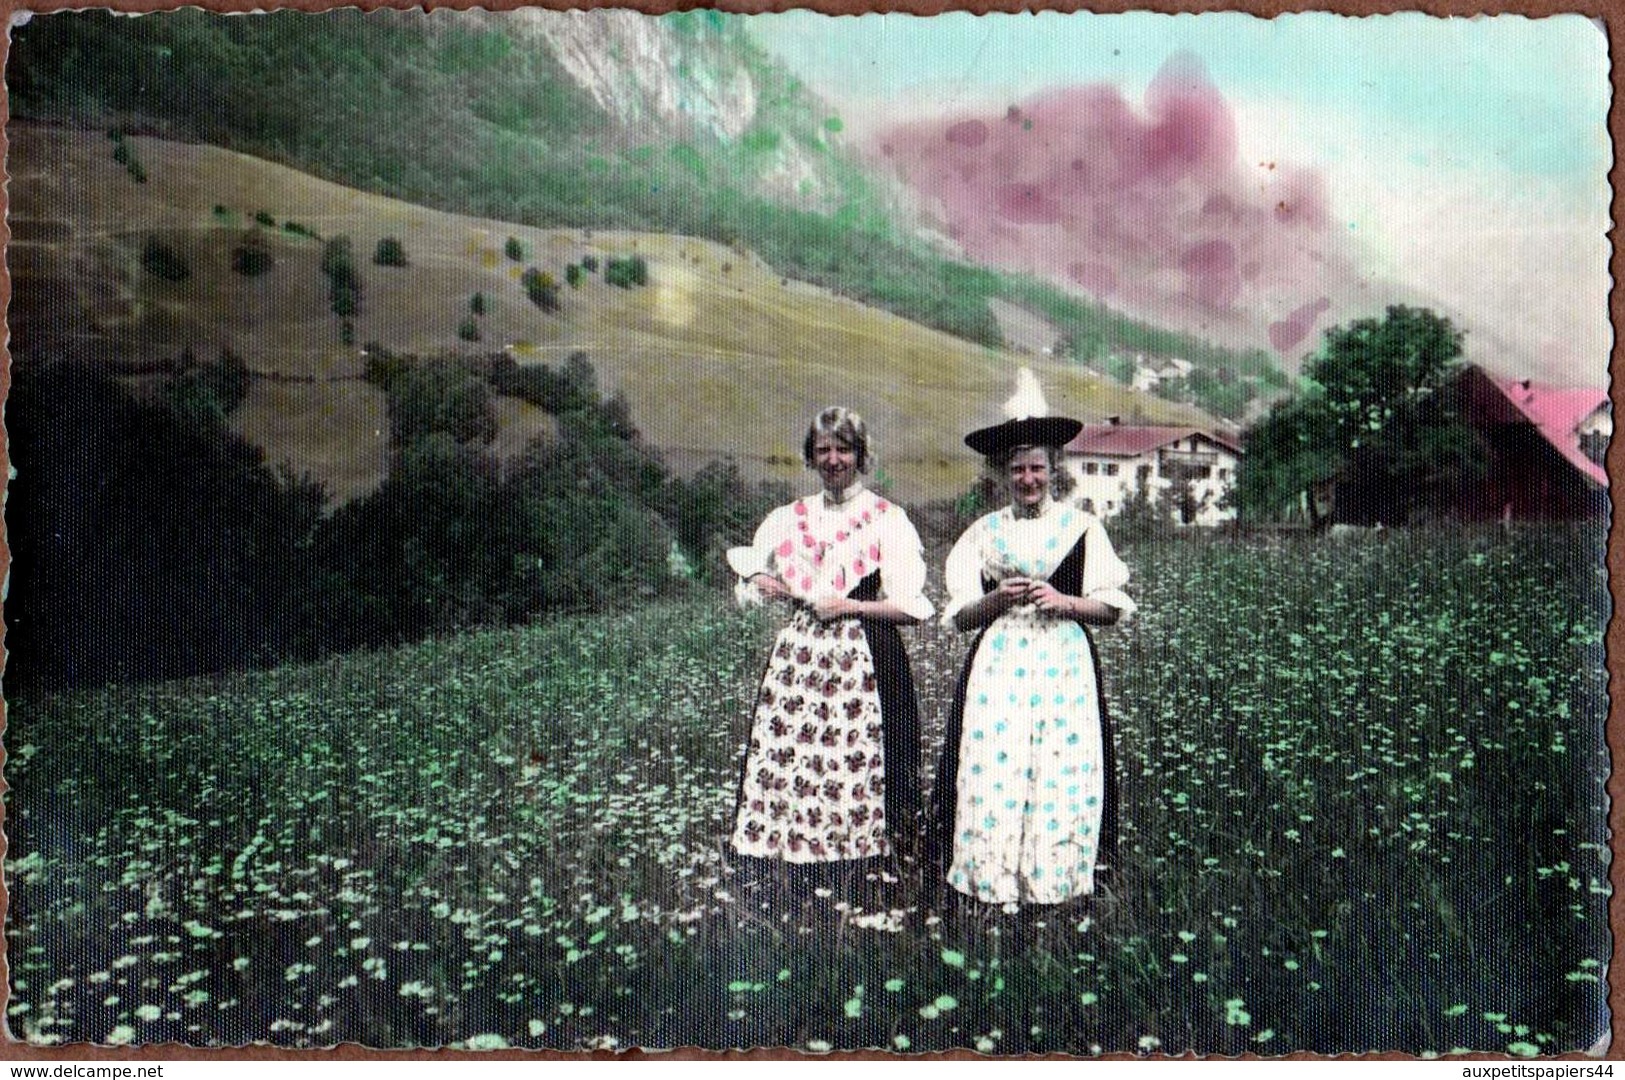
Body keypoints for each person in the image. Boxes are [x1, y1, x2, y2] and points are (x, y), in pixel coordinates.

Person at [932, 370, 1135, 907]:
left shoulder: (1081, 528)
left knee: (1059, 769)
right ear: (1002, 474)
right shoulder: (983, 533)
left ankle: (1056, 882)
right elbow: (959, 617)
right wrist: (998, 600)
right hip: (999, 663)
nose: (1028, 479)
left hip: (1062, 662)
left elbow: (1112, 607)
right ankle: (992, 881)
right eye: (1017, 469)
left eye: (1037, 468)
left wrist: (1064, 602)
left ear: (1053, 470)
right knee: (993, 763)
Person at [726, 407, 934, 870]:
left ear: (861, 456)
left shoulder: (886, 519)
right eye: (824, 450)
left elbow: (910, 607)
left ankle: (867, 867)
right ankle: (794, 860)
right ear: (811, 457)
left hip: (866, 654)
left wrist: (850, 606)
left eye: (844, 449)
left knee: (862, 764)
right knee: (795, 756)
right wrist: (767, 583)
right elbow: (749, 579)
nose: (834, 459)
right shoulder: (789, 517)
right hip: (800, 661)